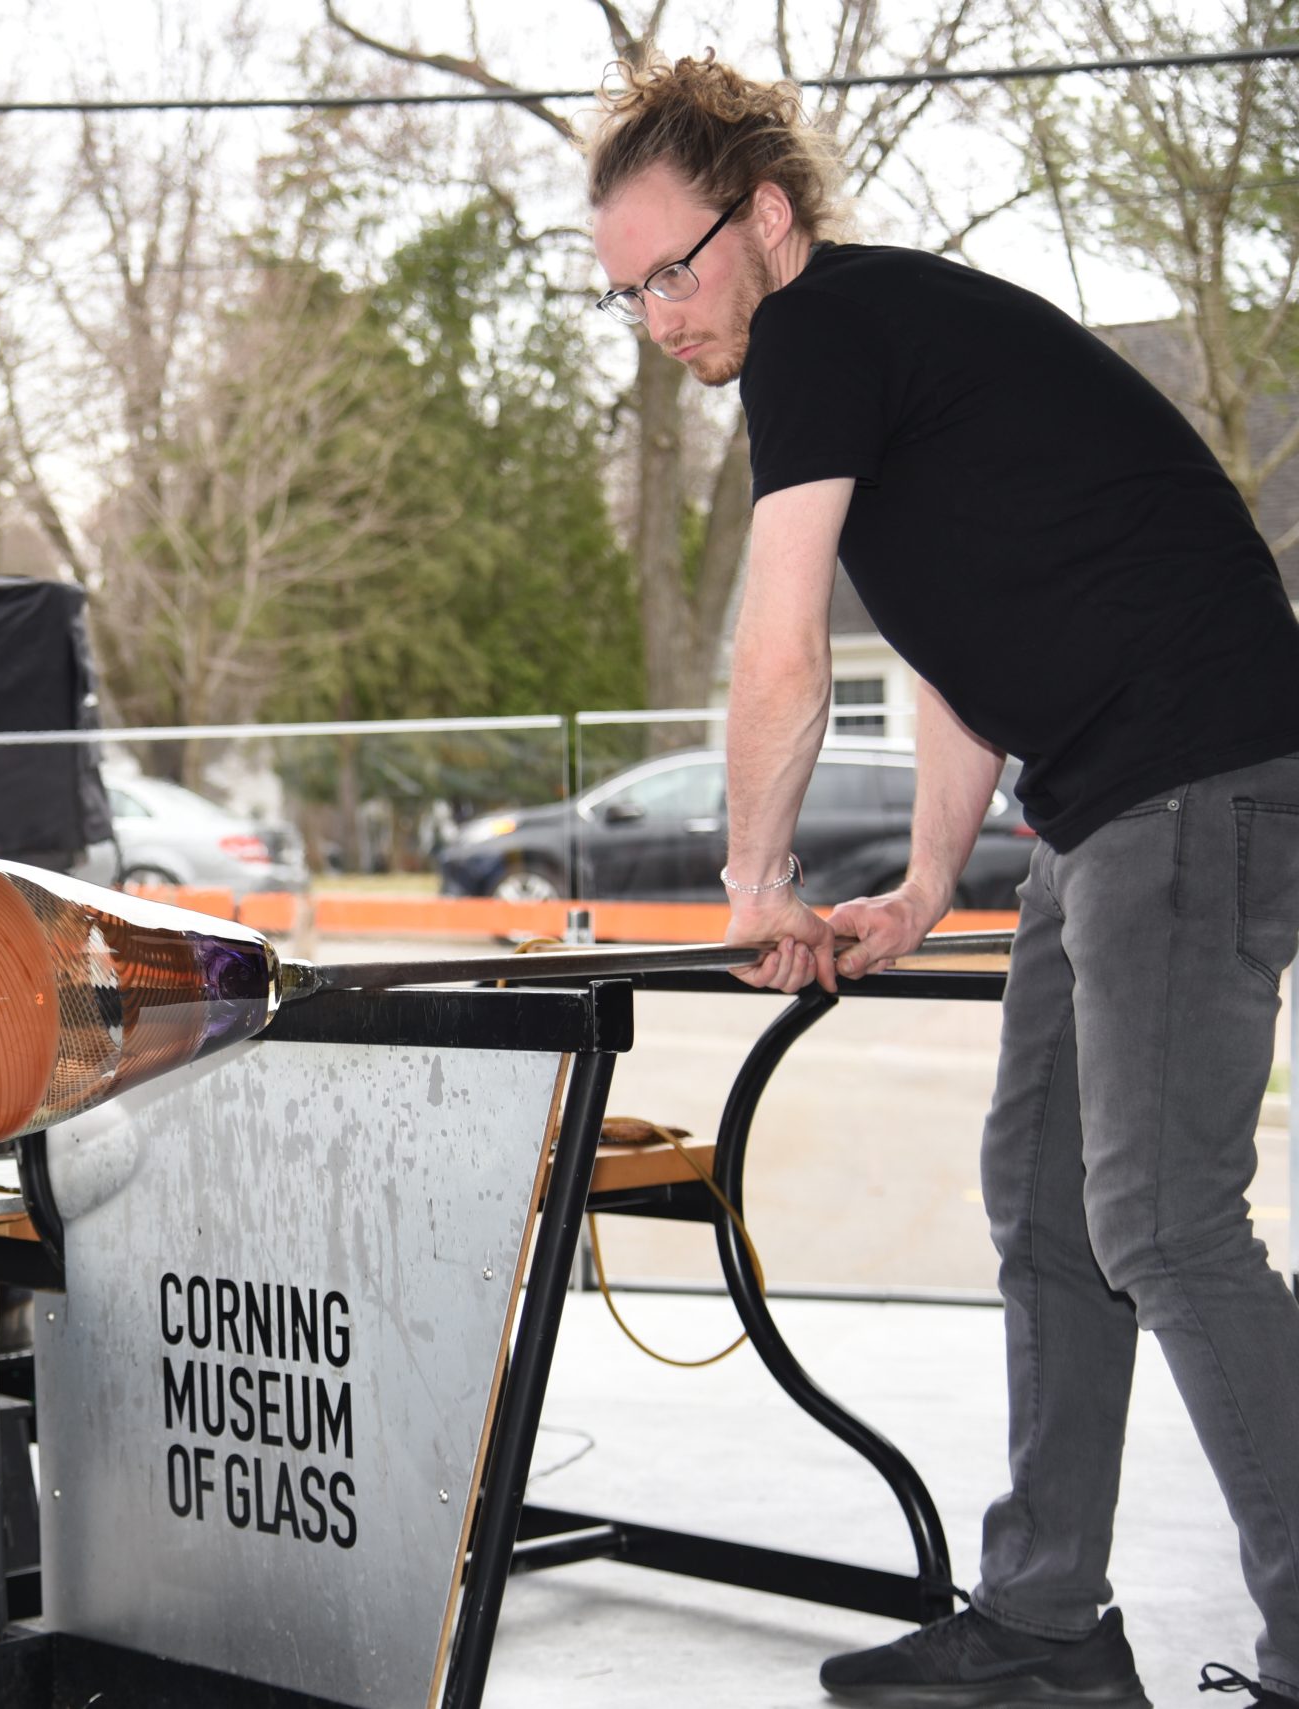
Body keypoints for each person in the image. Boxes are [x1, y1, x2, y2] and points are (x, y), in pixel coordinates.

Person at [588, 54, 1299, 1709]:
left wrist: (755, 872)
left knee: (1164, 1219)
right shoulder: (881, 362)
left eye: (675, 269)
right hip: (1104, 797)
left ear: (765, 220)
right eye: (623, 293)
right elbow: (956, 652)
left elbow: (778, 639)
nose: (659, 315)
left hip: (1194, 772)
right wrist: (915, 887)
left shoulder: (824, 328)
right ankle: (1047, 1628)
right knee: (1051, 1216)